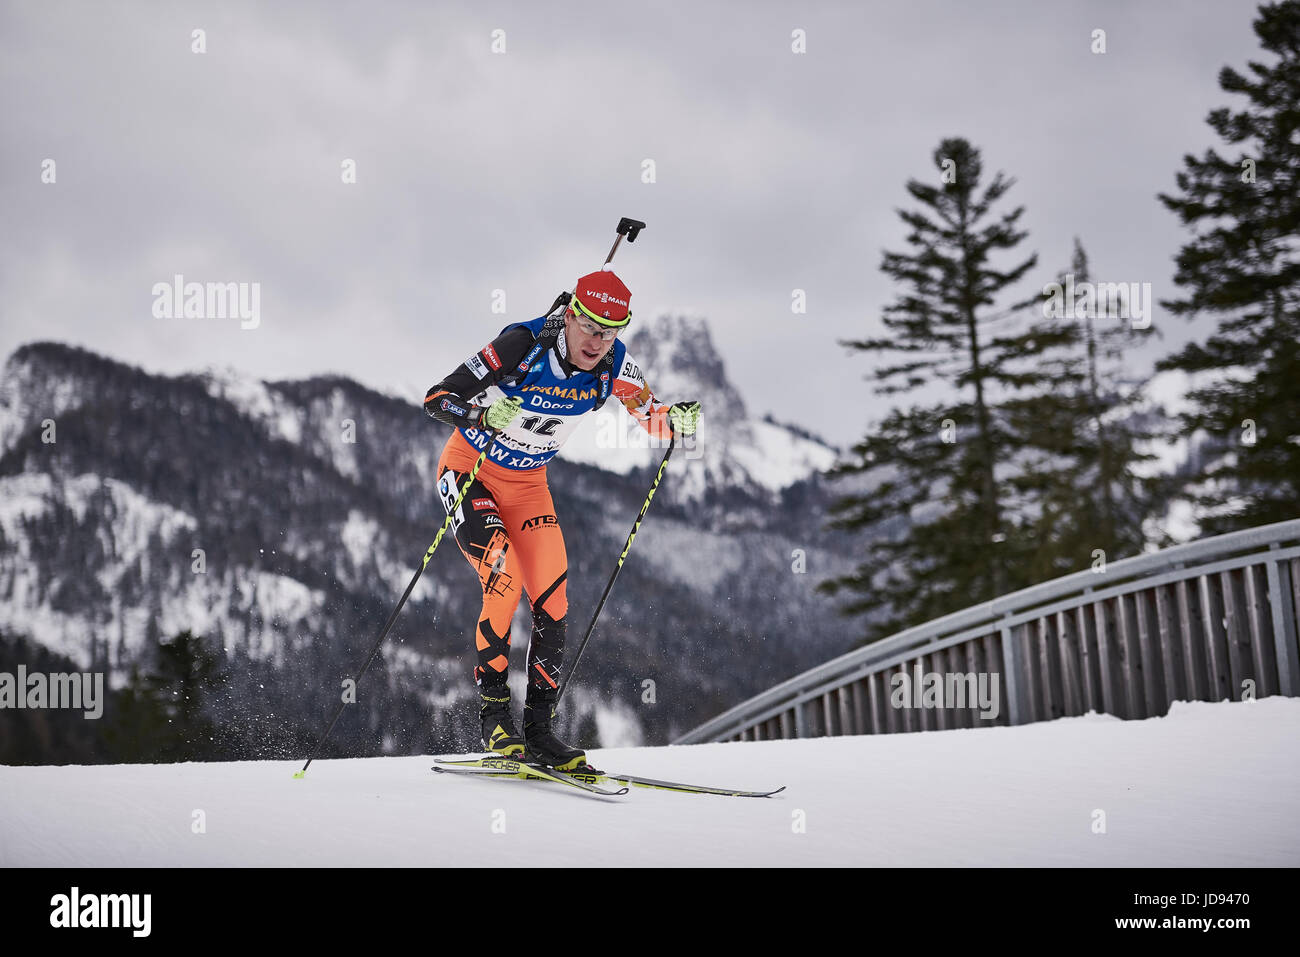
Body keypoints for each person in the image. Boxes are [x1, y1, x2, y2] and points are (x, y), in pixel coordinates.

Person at [424, 265, 701, 770]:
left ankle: (539, 729)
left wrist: (675, 420)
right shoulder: (521, 344)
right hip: (472, 471)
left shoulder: (615, 363)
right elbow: (437, 397)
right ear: (571, 315)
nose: (598, 341)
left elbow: (652, 418)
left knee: (552, 596)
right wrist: (481, 415)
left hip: (529, 487)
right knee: (504, 580)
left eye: (611, 331)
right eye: (591, 327)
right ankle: (494, 722)